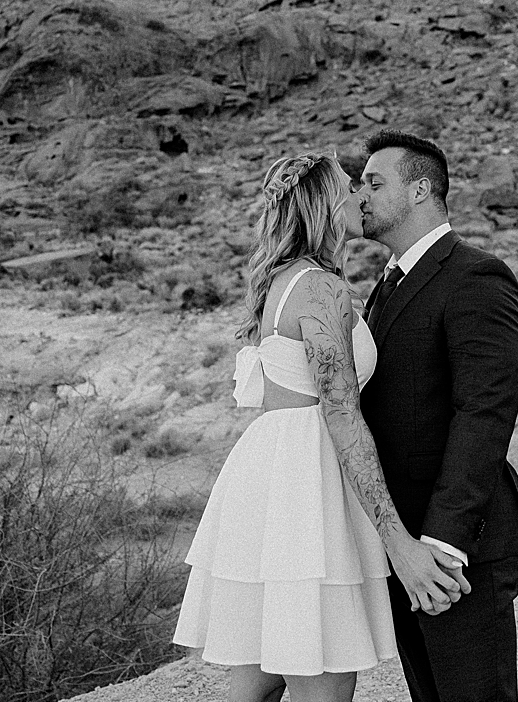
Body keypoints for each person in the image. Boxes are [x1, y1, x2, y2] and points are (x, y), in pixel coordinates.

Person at [173, 153, 468, 702]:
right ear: (325, 207)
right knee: (325, 679)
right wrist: (397, 540)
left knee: (258, 675)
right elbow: (341, 413)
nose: (361, 195)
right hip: (306, 481)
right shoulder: (321, 288)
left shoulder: (284, 280)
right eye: (349, 188)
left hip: (269, 468)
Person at [356, 130, 518, 702]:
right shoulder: (383, 287)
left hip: (459, 545)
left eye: (374, 182)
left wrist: (442, 544)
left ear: (419, 191)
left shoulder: (475, 276)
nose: (360, 194)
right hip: (402, 546)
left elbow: (485, 411)